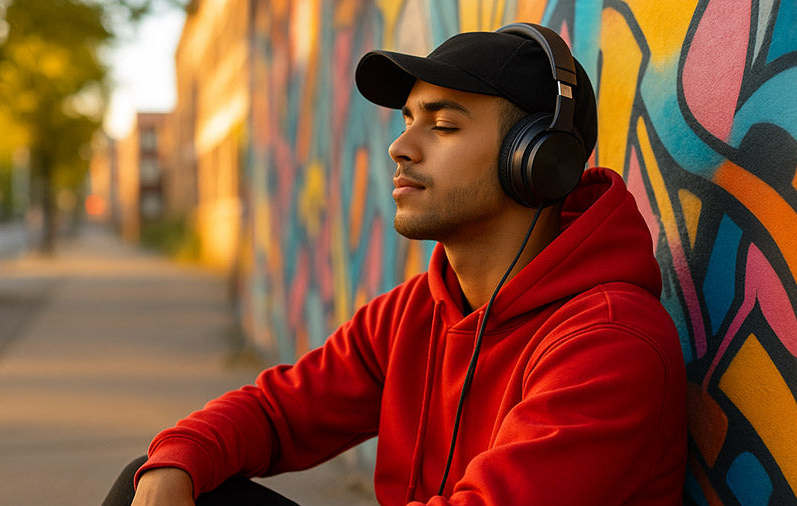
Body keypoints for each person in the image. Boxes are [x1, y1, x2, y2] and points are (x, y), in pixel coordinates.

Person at [105, 23, 687, 506]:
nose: (401, 147)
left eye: (443, 125)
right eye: (408, 120)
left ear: (539, 160)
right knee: (163, 476)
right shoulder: (414, 312)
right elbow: (277, 411)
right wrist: (175, 464)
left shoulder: (611, 345)